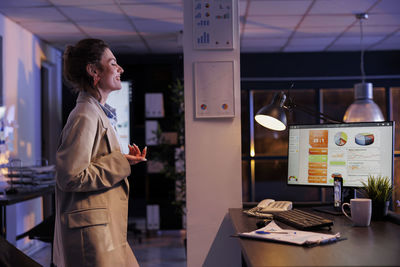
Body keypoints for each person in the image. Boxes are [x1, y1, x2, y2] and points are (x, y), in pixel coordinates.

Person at [53, 38, 146, 267]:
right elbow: (71, 176)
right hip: (92, 235)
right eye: (113, 63)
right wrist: (119, 164)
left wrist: (122, 160)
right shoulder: (85, 115)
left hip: (101, 229)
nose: (120, 69)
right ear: (94, 70)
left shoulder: (95, 112)